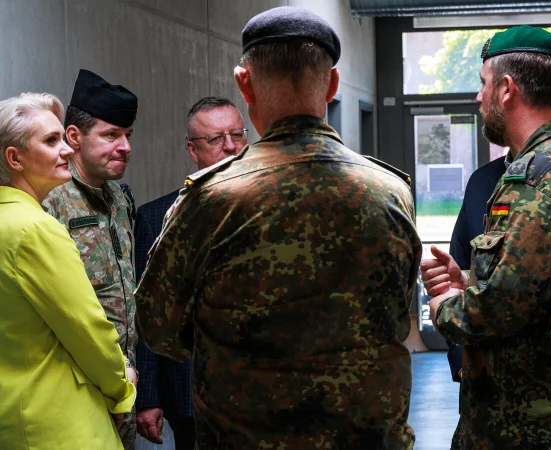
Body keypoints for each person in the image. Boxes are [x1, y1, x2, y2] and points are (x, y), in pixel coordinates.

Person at [135, 6, 421, 448]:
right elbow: (398, 318)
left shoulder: (210, 199)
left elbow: (159, 328)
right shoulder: (389, 191)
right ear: (332, 83)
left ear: (244, 82)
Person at [421, 26, 551, 448]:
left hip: (528, 427)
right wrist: (468, 281)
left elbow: (499, 310)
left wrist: (445, 306)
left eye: (483, 84)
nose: (478, 96)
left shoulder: (533, 180)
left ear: (506, 89)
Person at [0, 92, 136, 449]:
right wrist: (123, 387)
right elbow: (88, 329)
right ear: (14, 158)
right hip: (61, 424)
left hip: (8, 416)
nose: (66, 149)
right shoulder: (36, 228)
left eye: (62, 137)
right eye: (51, 141)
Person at [135, 96, 247, 448]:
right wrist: (149, 397)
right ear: (192, 150)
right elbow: (149, 312)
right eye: (215, 139)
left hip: (261, 389)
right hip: (191, 392)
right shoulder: (157, 218)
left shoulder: (277, 209)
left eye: (237, 135)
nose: (229, 147)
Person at [446, 152, 551, 383]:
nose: (481, 112)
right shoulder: (482, 181)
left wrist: (442, 311)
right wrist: (464, 363)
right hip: (488, 393)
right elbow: (460, 272)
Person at [42, 69, 139, 449]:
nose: (125, 146)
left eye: (128, 135)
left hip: (123, 382)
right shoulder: (51, 200)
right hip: (75, 383)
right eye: (111, 135)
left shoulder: (120, 197)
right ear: (73, 137)